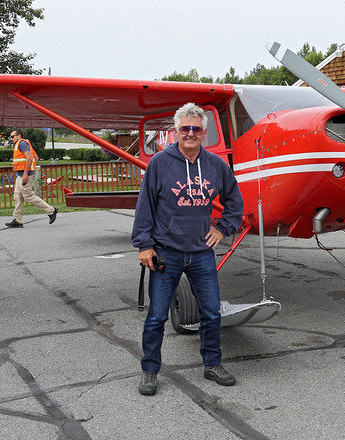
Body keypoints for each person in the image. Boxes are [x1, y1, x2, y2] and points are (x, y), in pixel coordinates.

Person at [131, 102, 244, 395]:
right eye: (185, 129)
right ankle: (150, 370)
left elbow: (235, 203)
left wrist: (222, 228)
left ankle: (212, 364)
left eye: (196, 129)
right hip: (166, 252)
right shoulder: (159, 163)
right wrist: (144, 245)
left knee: (211, 313)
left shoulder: (216, 165)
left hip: (201, 253)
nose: (190, 133)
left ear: (204, 132)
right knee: (156, 316)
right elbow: (145, 207)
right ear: (176, 132)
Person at [4, 130, 58, 228]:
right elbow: (36, 158)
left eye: (12, 136)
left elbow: (29, 158)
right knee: (17, 197)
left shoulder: (22, 144)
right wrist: (30, 170)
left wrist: (26, 173)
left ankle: (51, 211)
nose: (11, 139)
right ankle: (17, 220)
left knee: (29, 197)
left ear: (19, 135)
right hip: (21, 175)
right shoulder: (22, 144)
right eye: (11, 137)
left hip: (25, 175)